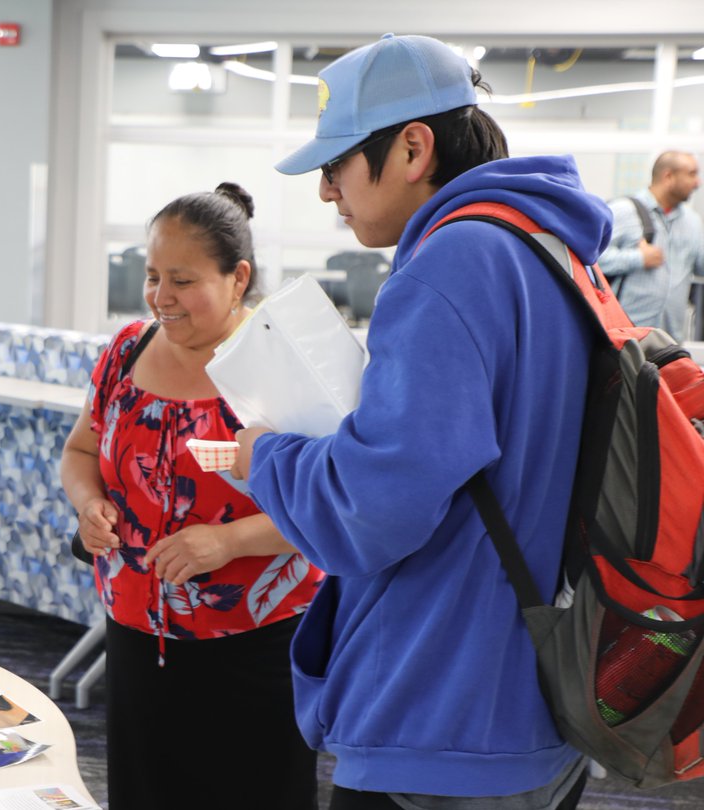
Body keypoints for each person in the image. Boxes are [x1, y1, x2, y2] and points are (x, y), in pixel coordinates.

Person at [230, 34, 614, 808]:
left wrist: (266, 457)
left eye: (336, 165)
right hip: (541, 692)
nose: (326, 192)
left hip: (439, 711)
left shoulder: (450, 264)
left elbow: (376, 510)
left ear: (413, 147)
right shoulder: (554, 253)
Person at [60, 182, 324, 810]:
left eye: (182, 280)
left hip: (255, 639)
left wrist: (228, 540)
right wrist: (88, 503)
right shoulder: (127, 349)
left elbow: (331, 503)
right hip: (136, 629)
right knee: (149, 789)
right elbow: (79, 454)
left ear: (238, 278)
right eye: (153, 276)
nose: (161, 298)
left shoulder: (278, 364)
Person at [596, 150, 704, 342]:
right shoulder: (623, 211)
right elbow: (592, 262)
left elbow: (700, 267)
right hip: (625, 339)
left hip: (670, 342)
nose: (697, 183)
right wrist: (638, 259)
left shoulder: (693, 222)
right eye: (691, 174)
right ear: (668, 176)